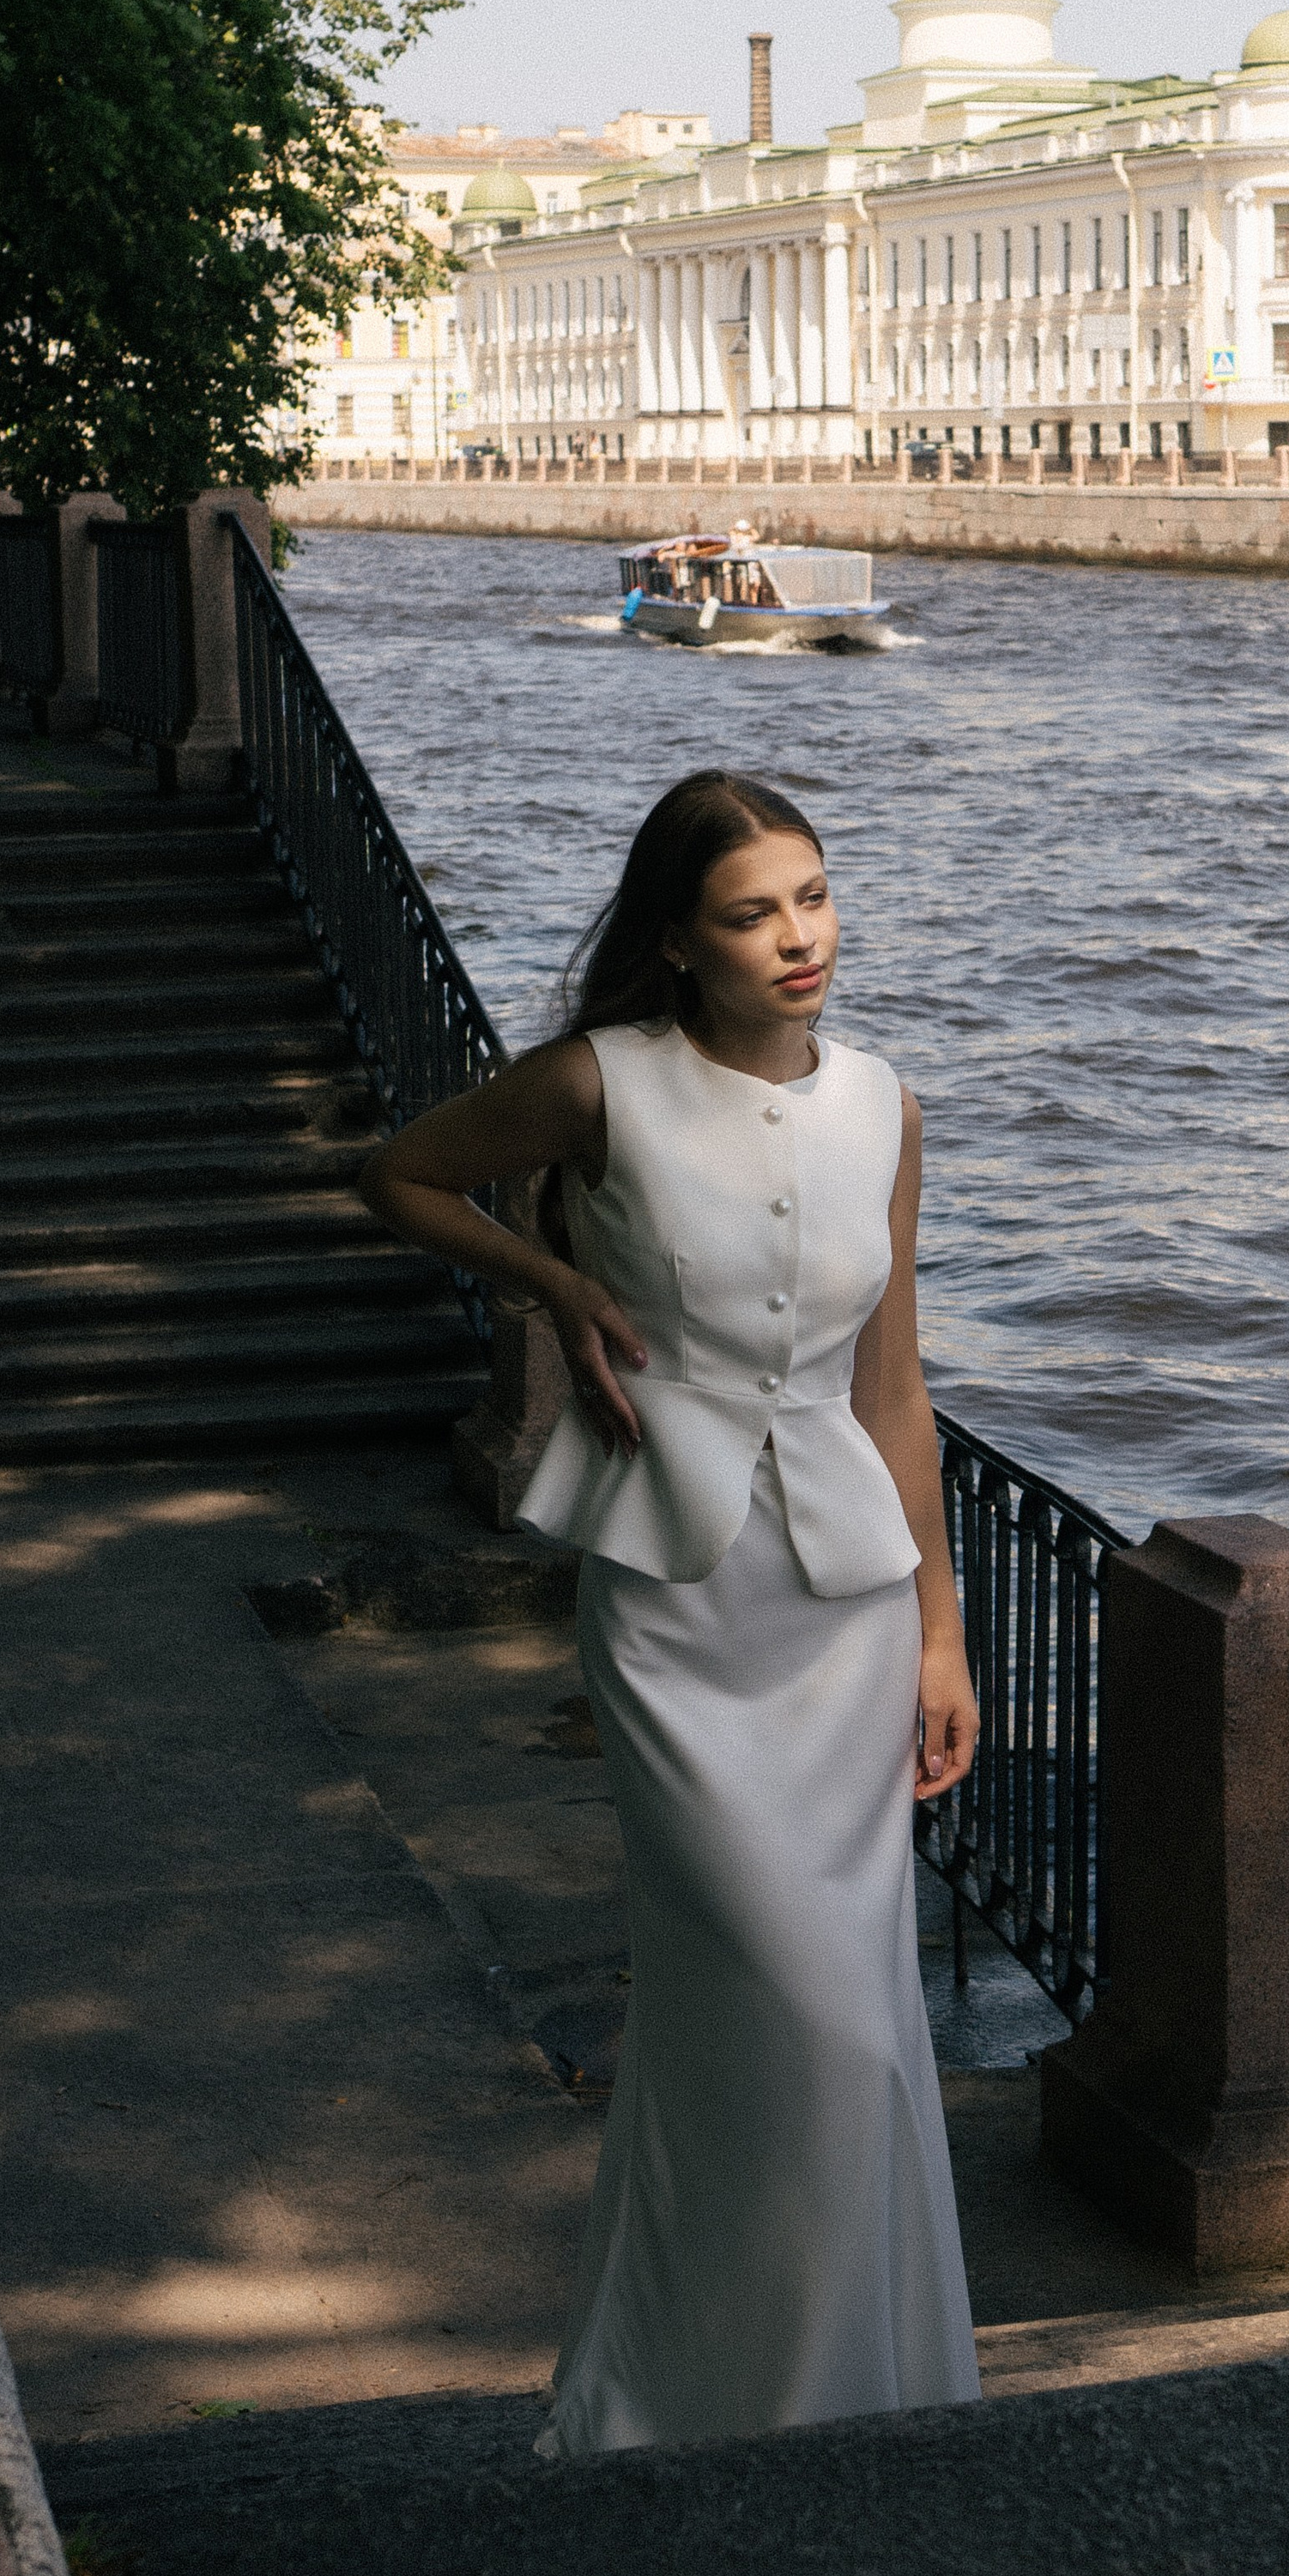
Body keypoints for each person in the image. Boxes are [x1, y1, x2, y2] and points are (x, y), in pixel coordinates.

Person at [359, 771, 982, 2455]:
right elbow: (398, 1175)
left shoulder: (882, 1105)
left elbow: (895, 1386)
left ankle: (833, 2395)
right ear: (676, 942)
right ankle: (716, 2408)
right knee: (784, 2017)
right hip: (677, 1623)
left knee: (846, 2027)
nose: (798, 938)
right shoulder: (595, 1085)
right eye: (750, 912)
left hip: (843, 1618)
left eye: (813, 896)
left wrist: (941, 1635)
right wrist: (558, 1290)